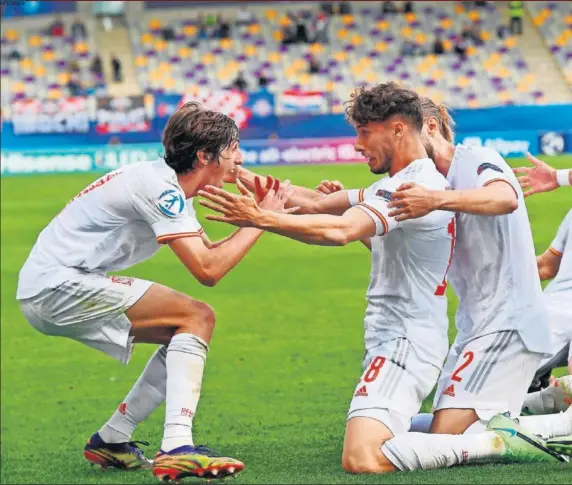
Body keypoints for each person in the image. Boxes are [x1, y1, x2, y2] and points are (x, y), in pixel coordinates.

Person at [200, 83, 563, 473]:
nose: (356, 144)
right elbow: (318, 204)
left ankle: (541, 427)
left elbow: (507, 197)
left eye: (363, 132)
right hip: (466, 323)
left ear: (411, 128)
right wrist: (233, 173)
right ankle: (535, 408)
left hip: (499, 320)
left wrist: (261, 219)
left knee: (420, 442)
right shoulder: (409, 184)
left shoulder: (460, 166)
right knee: (445, 428)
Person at [16, 102, 293, 482]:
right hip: (58, 284)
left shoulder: (167, 186)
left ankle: (112, 439)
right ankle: (177, 447)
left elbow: (210, 255)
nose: (239, 159)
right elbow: (208, 271)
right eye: (233, 150)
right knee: (196, 315)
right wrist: (261, 221)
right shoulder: (161, 191)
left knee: (185, 328)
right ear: (204, 156)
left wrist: (262, 216)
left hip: (52, 285)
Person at [521, 210, 572, 423]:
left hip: (548, 312)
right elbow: (546, 266)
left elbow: (545, 267)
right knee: (462, 416)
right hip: (551, 314)